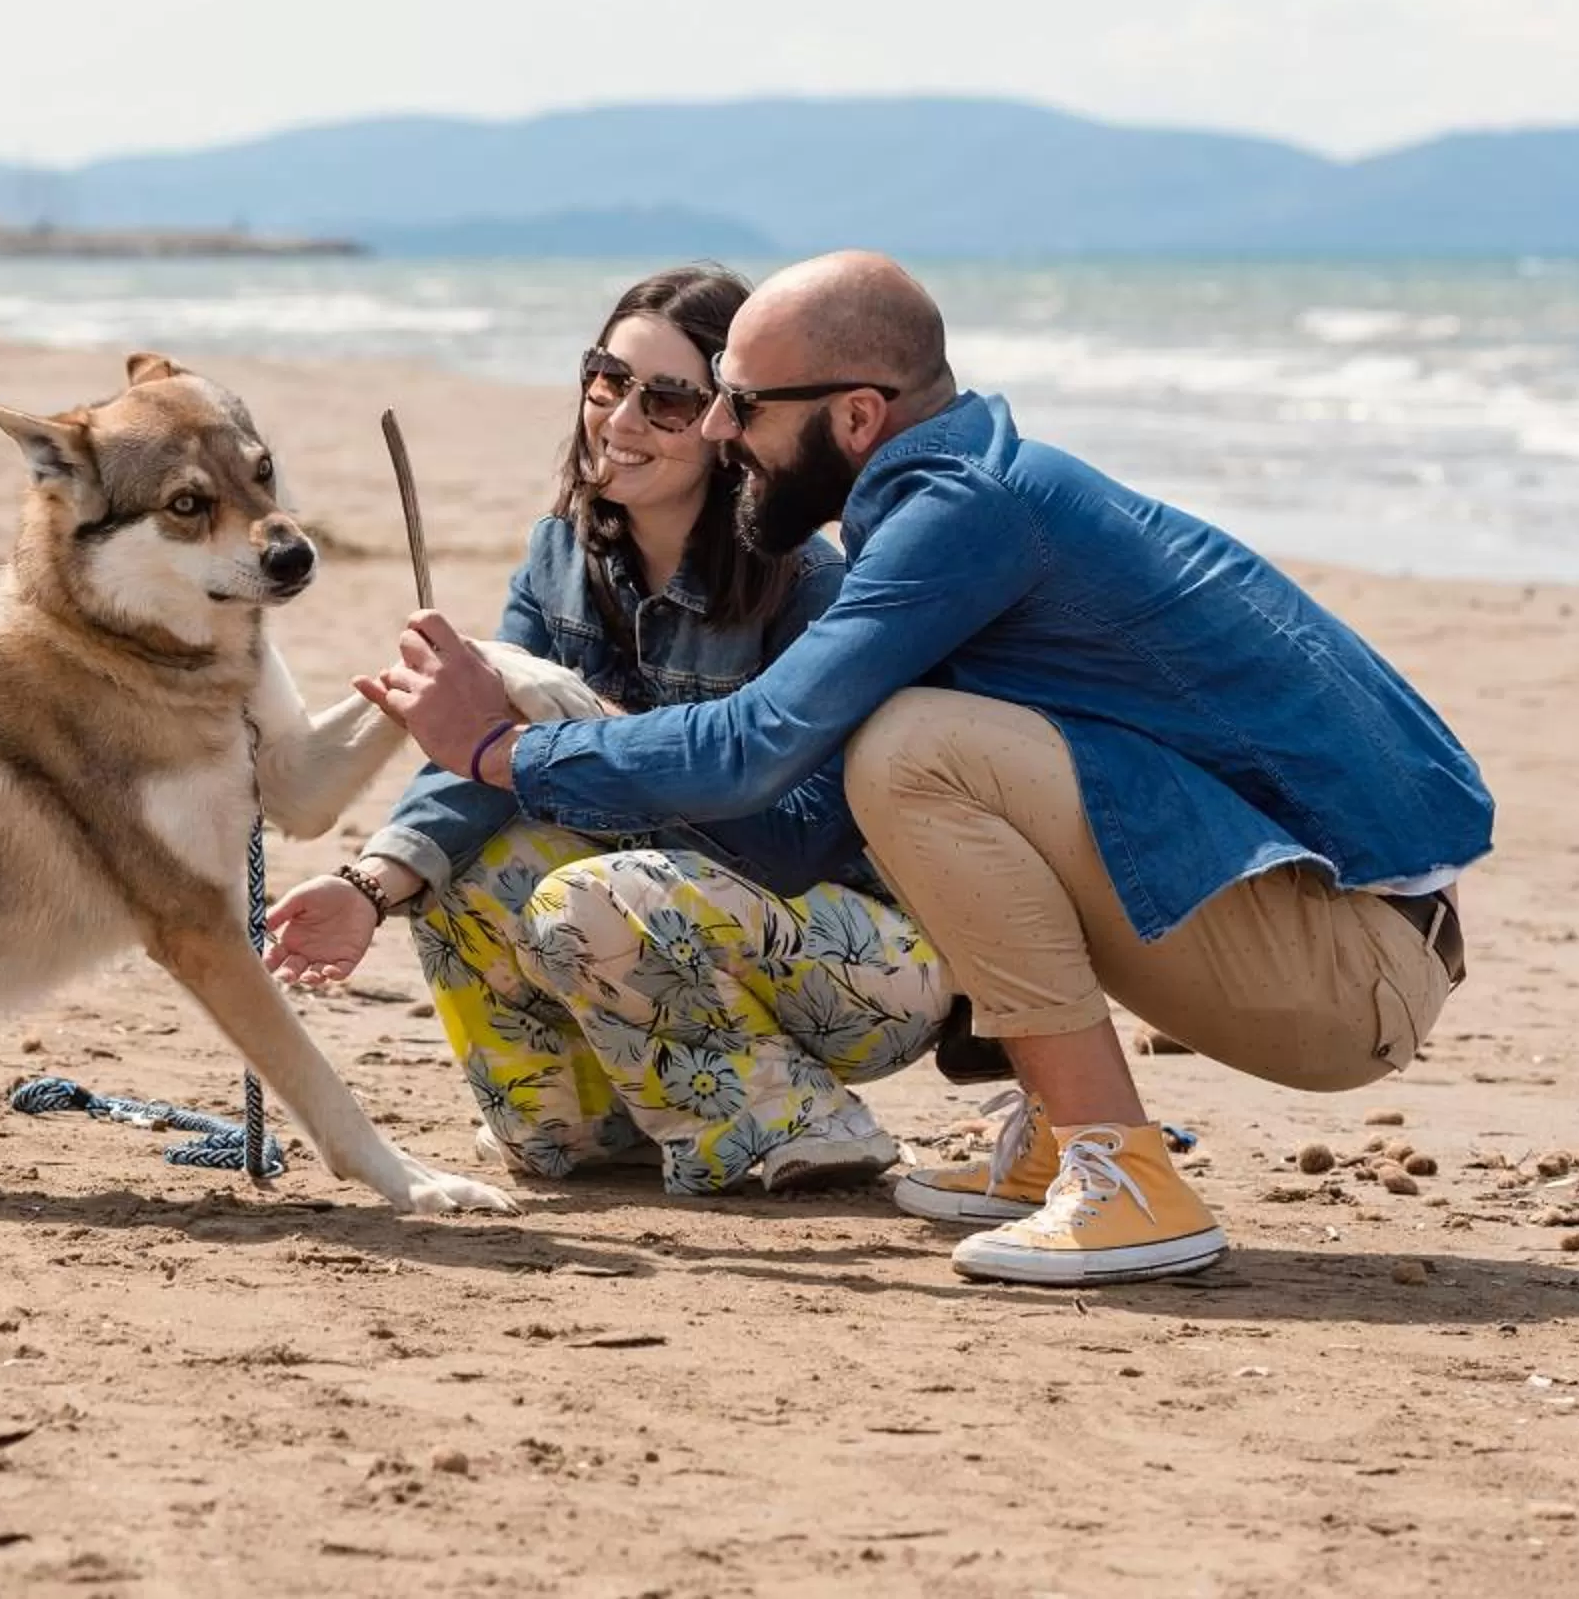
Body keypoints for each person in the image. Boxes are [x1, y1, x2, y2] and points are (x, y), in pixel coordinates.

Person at [358, 250, 1492, 1286]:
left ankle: (1125, 1173)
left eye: (739, 404)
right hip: (1318, 939)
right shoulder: (950, 501)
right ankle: (1058, 1139)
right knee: (911, 745)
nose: (714, 430)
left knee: (915, 748)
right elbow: (795, 818)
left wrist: (507, 747)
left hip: (1347, 968)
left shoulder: (965, 512)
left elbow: (754, 743)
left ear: (857, 415)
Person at [263, 264, 952, 1196]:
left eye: (669, 400)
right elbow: (480, 759)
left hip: (865, 960)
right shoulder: (561, 558)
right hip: (659, 909)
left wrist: (580, 727)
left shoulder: (811, 587)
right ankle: (600, 1123)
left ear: (726, 423)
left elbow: (802, 840)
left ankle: (799, 1120)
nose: (621, 421)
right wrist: (368, 887)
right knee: (464, 876)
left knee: (589, 893)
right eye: (607, 381)